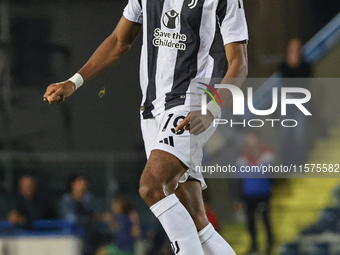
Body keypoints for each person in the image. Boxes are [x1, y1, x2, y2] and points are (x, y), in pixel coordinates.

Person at [43, 0, 249, 254]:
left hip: (192, 105)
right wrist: (73, 82)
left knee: (151, 185)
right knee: (196, 222)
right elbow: (120, 40)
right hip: (151, 112)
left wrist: (212, 108)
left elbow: (239, 63)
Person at [236, 132, 275, 255]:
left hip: (263, 193)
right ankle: (254, 246)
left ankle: (270, 244)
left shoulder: (267, 155)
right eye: (248, 141)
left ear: (258, 140)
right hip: (248, 195)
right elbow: (239, 180)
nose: (250, 144)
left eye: (252, 140)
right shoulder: (242, 159)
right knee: (251, 222)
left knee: (265, 219)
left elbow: (272, 172)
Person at [279, 38, 313, 166]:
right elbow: (286, 83)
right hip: (286, 101)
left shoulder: (306, 66)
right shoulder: (283, 66)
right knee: (285, 133)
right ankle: (286, 164)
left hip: (301, 101)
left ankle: (300, 163)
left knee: (300, 134)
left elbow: (303, 84)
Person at [60, 174, 98, 255]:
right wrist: (88, 219)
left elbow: (95, 216)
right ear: (73, 185)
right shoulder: (67, 199)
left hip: (89, 238)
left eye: (84, 182)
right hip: (72, 237)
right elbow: (71, 219)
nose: (83, 184)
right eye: (80, 182)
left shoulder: (88, 198)